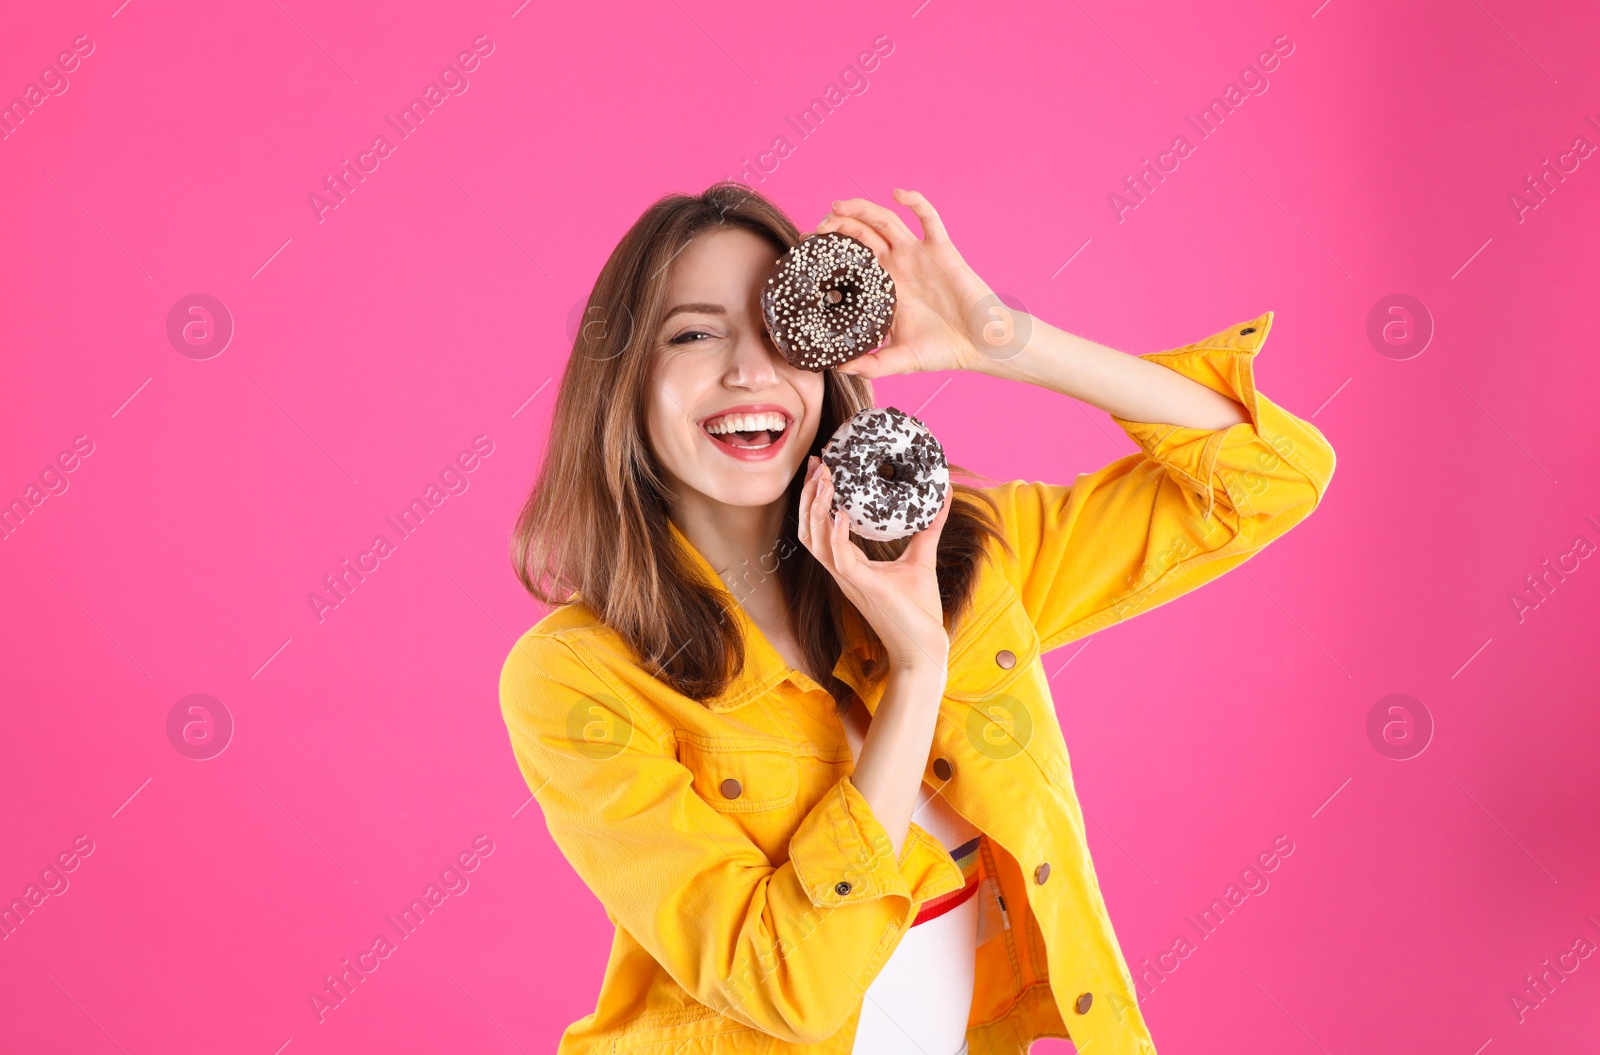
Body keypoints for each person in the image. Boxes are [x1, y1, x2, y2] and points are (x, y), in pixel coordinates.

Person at [498, 182, 1335, 1055]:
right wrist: (915, 675)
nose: (750, 371)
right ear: (623, 382)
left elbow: (1269, 479)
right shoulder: (578, 678)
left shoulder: (964, 564)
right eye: (696, 334)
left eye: (783, 332)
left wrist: (1002, 341)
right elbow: (795, 986)